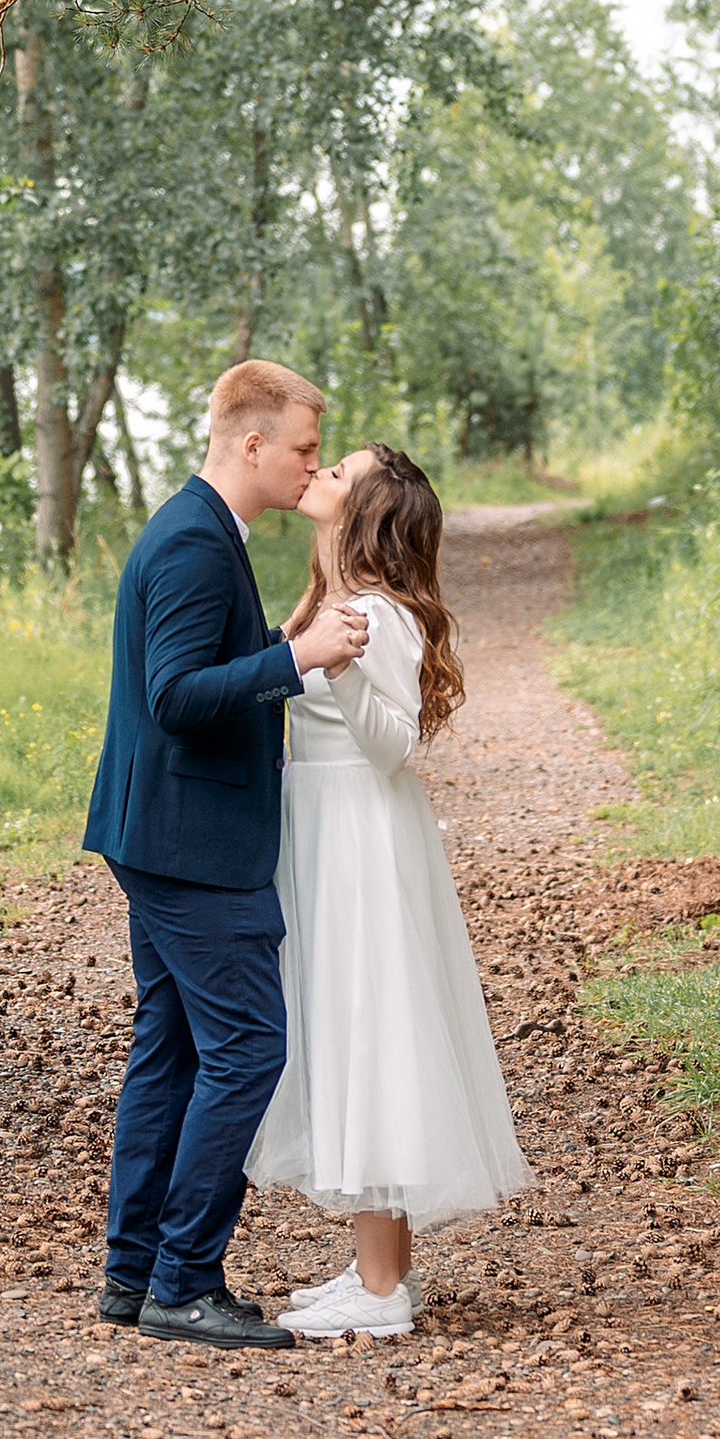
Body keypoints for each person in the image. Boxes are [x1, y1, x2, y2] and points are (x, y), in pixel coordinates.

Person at [81, 358, 367, 1350]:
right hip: (192, 844)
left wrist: (286, 637)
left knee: (175, 1045)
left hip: (157, 831)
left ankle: (134, 1273)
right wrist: (299, 657)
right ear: (250, 443)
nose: (310, 465)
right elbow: (174, 693)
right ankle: (183, 1277)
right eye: (301, 448)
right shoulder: (197, 545)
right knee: (247, 1046)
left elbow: (200, 665)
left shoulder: (199, 531)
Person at [245, 443, 531, 1337]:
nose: (321, 471)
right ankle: (379, 1274)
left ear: (365, 508)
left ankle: (380, 1296)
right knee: (356, 1030)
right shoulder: (337, 602)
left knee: (369, 1032)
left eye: (341, 470)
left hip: (362, 833)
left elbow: (392, 741)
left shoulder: (378, 614)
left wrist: (329, 661)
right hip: (332, 824)